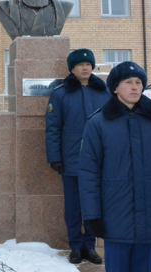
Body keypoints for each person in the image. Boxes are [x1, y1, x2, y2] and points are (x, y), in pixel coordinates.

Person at [79, 61, 151, 272]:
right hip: (115, 216)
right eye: (128, 82)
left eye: (138, 82)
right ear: (115, 88)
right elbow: (89, 173)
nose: (135, 86)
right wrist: (92, 215)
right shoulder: (98, 123)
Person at [45, 49, 109, 264]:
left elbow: (112, 126)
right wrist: (55, 157)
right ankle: (75, 246)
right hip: (71, 160)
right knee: (73, 206)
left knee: (93, 204)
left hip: (98, 160)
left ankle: (90, 246)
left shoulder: (104, 92)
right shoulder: (60, 93)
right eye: (80, 64)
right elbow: (53, 127)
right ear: (72, 68)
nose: (85, 67)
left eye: (88, 64)